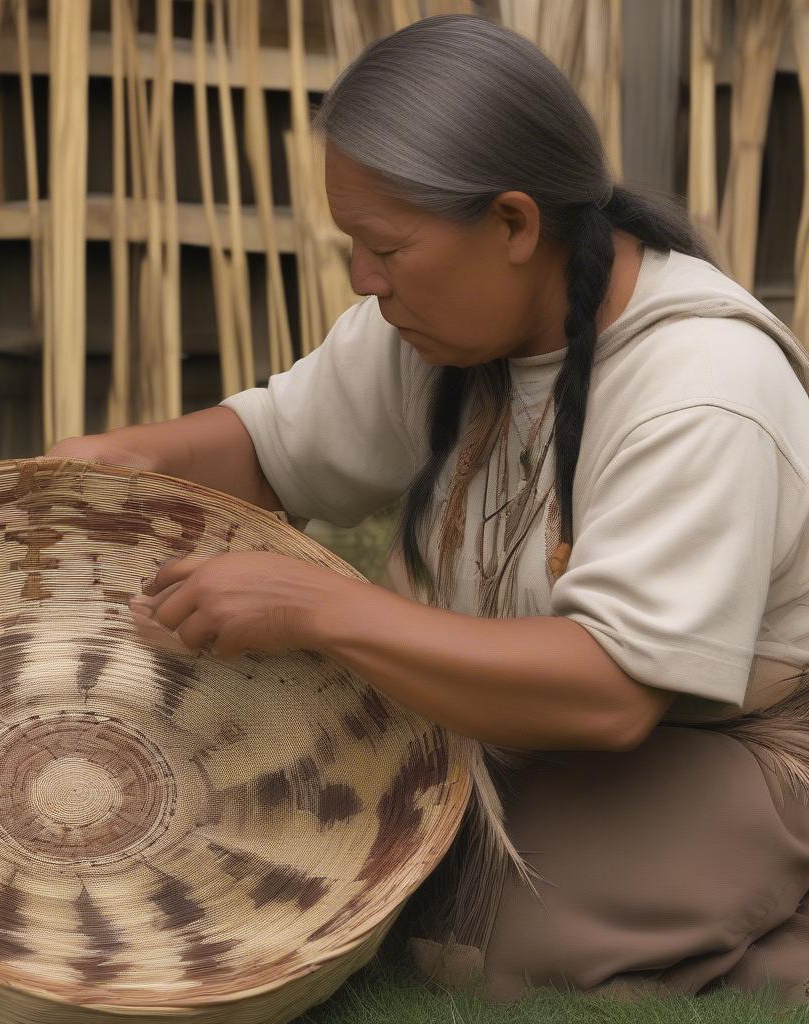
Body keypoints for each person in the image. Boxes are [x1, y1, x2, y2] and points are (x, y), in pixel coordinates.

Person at [48, 13, 809, 1006]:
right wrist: (115, 466)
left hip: (731, 739)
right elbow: (273, 448)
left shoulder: (703, 384)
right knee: (343, 876)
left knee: (508, 944)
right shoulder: (427, 325)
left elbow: (614, 691)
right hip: (526, 724)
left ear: (512, 223)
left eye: (385, 247)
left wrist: (319, 607)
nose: (363, 281)